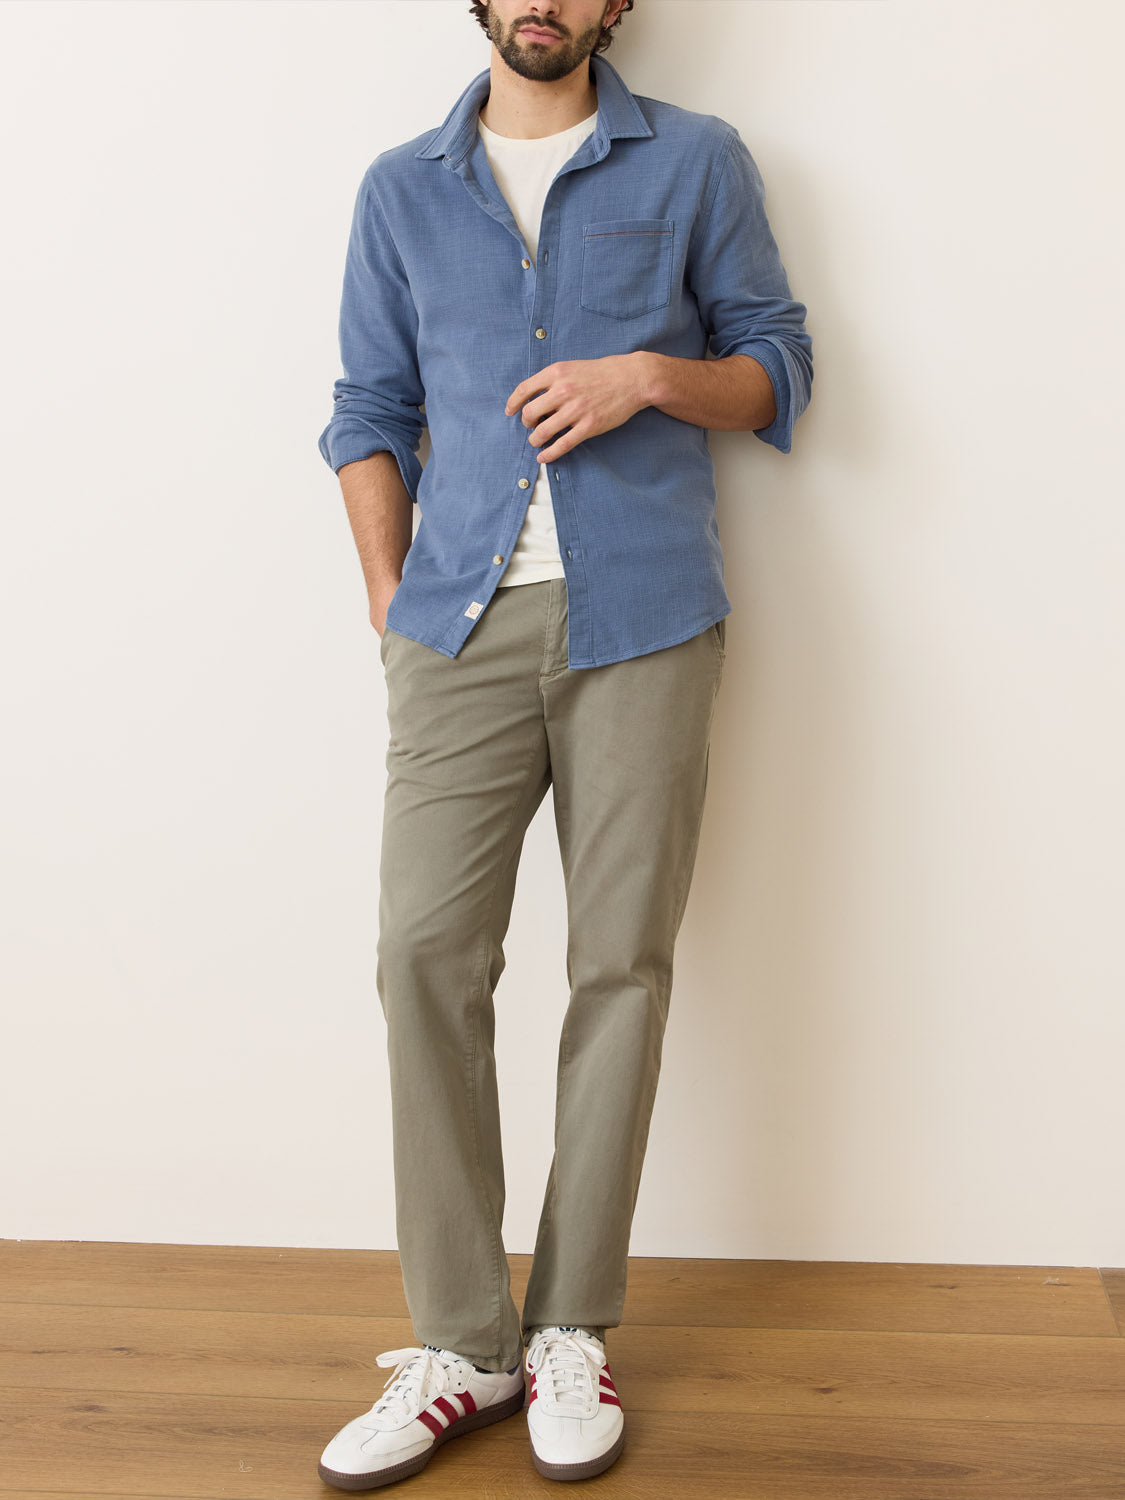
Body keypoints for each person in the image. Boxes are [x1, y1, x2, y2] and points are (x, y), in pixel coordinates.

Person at [314, 0, 812, 1488]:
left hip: (645, 623)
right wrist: (391, 600)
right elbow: (363, 408)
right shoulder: (403, 188)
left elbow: (780, 369)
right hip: (454, 631)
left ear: (613, 7)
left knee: (621, 969)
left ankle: (569, 1329)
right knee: (422, 956)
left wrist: (649, 375)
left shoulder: (699, 163)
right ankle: (464, 1342)